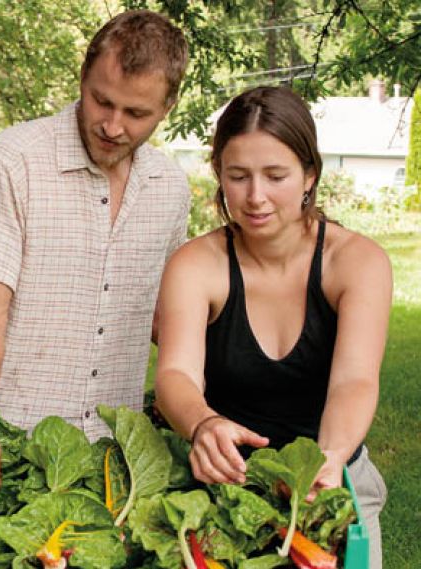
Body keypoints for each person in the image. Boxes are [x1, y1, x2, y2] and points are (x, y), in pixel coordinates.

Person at [0, 10, 190, 501]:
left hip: (108, 463)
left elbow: (163, 317)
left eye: (136, 114)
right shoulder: (12, 161)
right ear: (82, 78)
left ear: (167, 106)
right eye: (101, 101)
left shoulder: (171, 188)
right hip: (0, 445)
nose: (113, 126)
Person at [154, 86, 390, 567]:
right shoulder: (196, 265)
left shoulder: (357, 262)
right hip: (228, 484)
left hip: (333, 473)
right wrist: (202, 424)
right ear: (219, 175)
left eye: (275, 176)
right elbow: (175, 375)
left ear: (310, 175)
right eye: (237, 176)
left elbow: (355, 380)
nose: (255, 197)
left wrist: (331, 458)